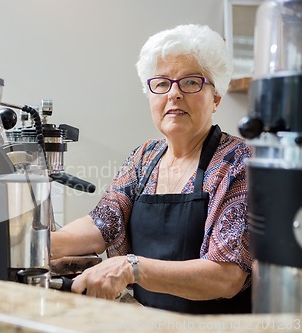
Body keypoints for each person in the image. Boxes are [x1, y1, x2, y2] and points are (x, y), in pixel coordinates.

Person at [51, 24, 252, 314]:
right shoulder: (145, 157)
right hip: (147, 322)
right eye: (161, 83)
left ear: (216, 97)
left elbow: (226, 277)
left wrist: (131, 267)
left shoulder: (238, 162)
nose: (174, 94)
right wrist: (39, 244)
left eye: (191, 82)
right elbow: (104, 223)